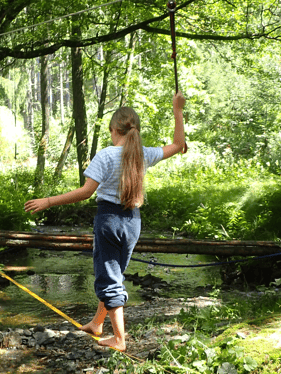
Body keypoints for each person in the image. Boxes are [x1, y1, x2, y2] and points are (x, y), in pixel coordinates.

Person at [24, 91, 186, 352]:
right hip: (133, 222)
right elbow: (179, 145)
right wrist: (177, 110)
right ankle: (97, 323)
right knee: (115, 273)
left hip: (109, 220)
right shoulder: (143, 154)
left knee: (109, 278)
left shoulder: (106, 155)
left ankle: (120, 339)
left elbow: (86, 192)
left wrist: (48, 201)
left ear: (113, 129)